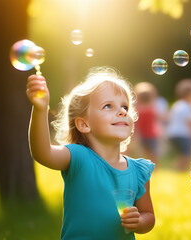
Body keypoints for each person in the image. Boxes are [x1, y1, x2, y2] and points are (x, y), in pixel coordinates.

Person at [26, 66, 155, 239]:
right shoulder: (79, 157)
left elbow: (149, 215)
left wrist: (138, 221)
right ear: (84, 124)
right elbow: (43, 153)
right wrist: (41, 109)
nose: (122, 111)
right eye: (108, 106)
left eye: (125, 106)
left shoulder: (139, 170)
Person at [166, 78, 191, 171]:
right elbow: (190, 122)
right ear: (189, 94)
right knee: (186, 154)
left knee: (182, 154)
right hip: (182, 134)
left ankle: (179, 171)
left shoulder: (177, 104)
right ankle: (180, 171)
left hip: (173, 133)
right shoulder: (187, 106)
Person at [133, 82, 162, 165]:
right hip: (152, 135)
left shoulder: (137, 110)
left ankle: (149, 168)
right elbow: (158, 119)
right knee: (154, 155)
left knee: (146, 154)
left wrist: (136, 135)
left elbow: (136, 125)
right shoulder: (152, 109)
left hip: (143, 136)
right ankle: (155, 169)